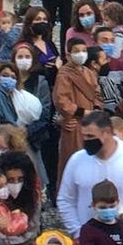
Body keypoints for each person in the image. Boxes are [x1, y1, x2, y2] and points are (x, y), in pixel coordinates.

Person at [56, 110, 123, 235]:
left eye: (91, 137)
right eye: (84, 136)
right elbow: (65, 200)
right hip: (86, 241)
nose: (86, 141)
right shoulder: (77, 160)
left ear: (107, 133)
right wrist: (78, 233)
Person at [52, 38, 103, 179]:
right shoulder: (64, 74)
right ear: (68, 55)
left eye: (83, 51)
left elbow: (97, 93)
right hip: (74, 123)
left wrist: (97, 109)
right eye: (76, 51)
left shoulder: (89, 72)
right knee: (73, 160)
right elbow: (61, 100)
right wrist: (81, 112)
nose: (81, 54)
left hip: (92, 122)